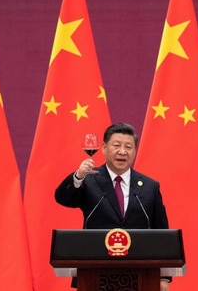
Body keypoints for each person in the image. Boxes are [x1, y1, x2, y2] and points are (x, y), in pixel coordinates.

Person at [55, 122, 171, 291]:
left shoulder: (149, 186)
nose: (122, 151)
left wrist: (164, 278)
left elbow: (161, 232)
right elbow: (63, 198)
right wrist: (78, 176)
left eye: (128, 147)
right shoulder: (89, 180)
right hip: (95, 272)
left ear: (134, 151)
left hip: (141, 274)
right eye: (116, 145)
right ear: (103, 147)